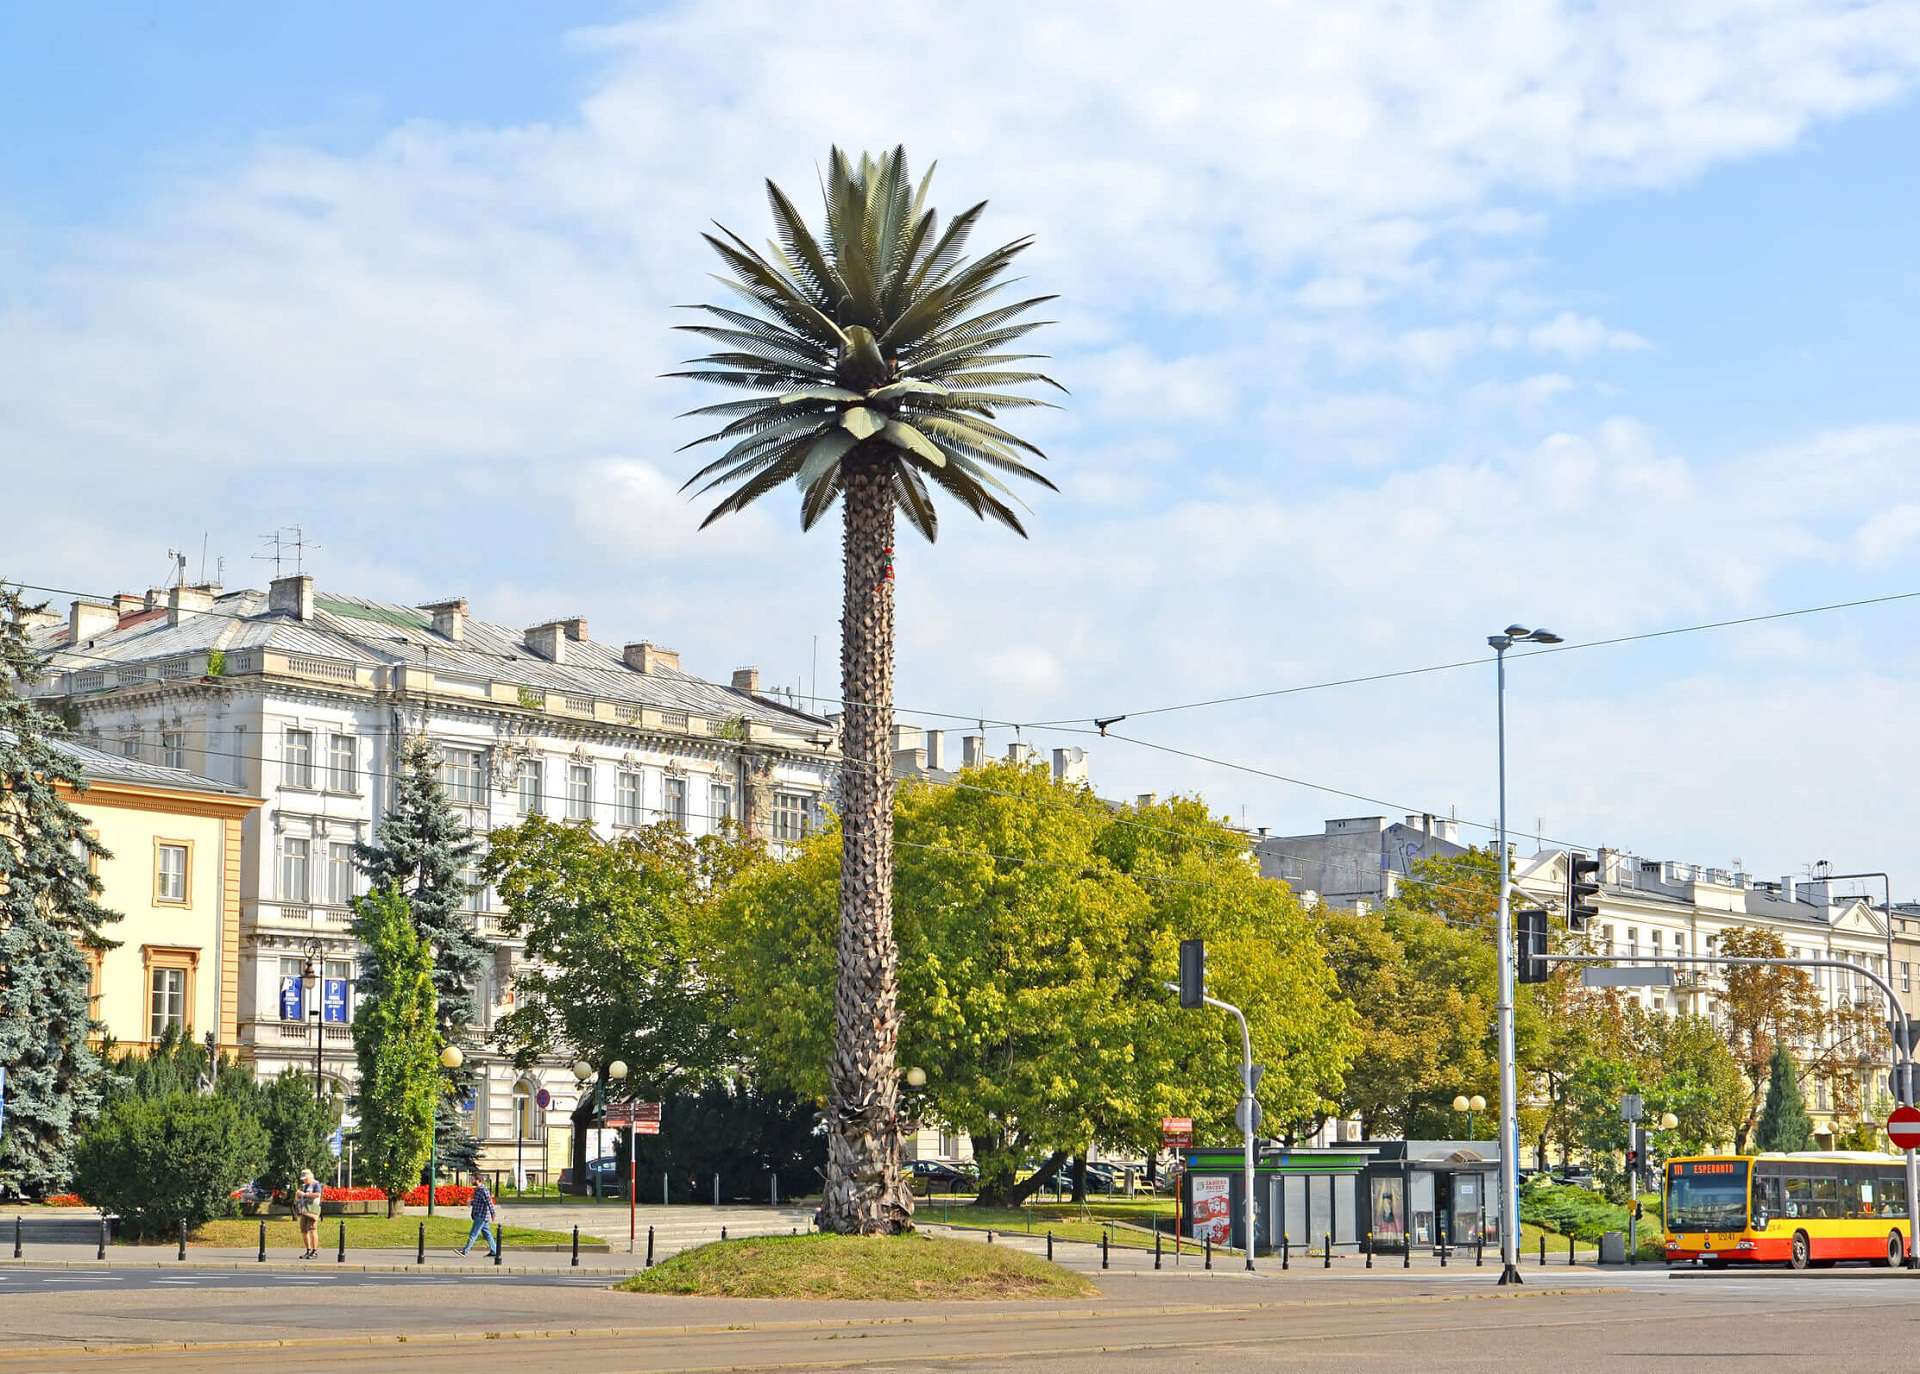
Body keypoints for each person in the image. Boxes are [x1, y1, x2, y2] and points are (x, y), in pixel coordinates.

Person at [459, 1177, 498, 1258]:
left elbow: (489, 1202)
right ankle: (494, 1251)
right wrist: (471, 1202)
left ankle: (464, 1251)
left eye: (473, 1179)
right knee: (487, 1235)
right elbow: (478, 1202)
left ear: (478, 1180)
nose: (471, 1181)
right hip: (478, 1215)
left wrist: (493, 1213)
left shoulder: (484, 1190)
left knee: (473, 1234)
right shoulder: (477, 1190)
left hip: (481, 1216)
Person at [294, 1169, 323, 1259]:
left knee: (312, 1229)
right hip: (304, 1210)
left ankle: (314, 1251)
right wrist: (298, 1194)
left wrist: (305, 1194)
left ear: (310, 1176)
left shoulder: (316, 1184)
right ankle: (308, 1250)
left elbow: (318, 1194)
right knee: (304, 1230)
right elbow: (298, 1198)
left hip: (312, 1210)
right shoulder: (304, 1186)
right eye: (303, 1179)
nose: (304, 1180)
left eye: (305, 1178)